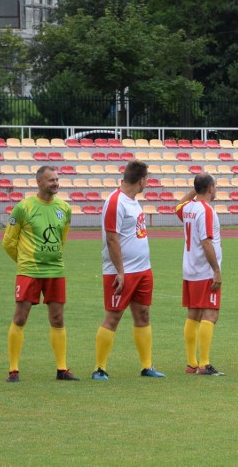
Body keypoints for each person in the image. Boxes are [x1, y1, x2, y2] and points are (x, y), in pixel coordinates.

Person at [3, 166, 77, 382]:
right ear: (38, 182)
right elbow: (8, 241)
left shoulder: (64, 208)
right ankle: (13, 370)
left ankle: (61, 369)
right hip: (29, 272)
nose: (55, 183)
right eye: (50, 180)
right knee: (20, 317)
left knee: (57, 318)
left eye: (56, 179)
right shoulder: (23, 208)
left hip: (55, 270)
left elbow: (62, 239)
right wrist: (24, 261)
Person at [92, 160, 164, 380]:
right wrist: (120, 271)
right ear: (141, 179)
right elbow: (112, 238)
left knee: (143, 314)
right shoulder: (116, 202)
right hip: (122, 273)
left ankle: (146, 366)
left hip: (143, 270)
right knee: (113, 317)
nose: (147, 182)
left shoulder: (133, 201)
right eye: (147, 178)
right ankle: (100, 368)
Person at [176, 174, 225, 376]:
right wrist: (216, 270)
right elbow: (207, 242)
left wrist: (194, 191)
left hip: (190, 269)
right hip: (204, 270)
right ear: (211, 188)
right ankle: (204, 364)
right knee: (210, 314)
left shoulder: (188, 208)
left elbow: (177, 206)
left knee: (193, 314)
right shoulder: (206, 211)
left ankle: (191, 363)